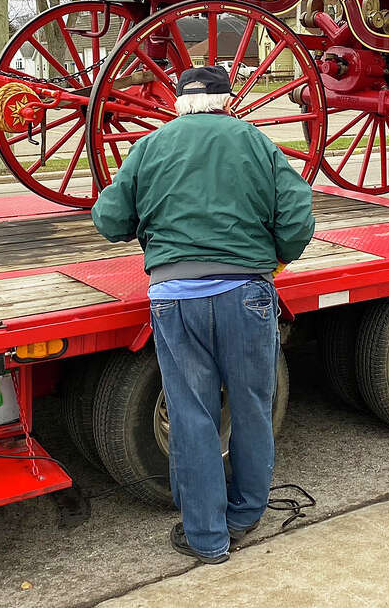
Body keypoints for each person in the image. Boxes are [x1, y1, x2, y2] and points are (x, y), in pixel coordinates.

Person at [91, 65, 315, 565]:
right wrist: (276, 254)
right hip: (247, 293)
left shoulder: (149, 147)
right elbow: (299, 216)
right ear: (226, 100)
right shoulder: (256, 143)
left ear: (179, 103)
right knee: (253, 407)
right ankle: (245, 514)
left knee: (192, 416)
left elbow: (109, 220)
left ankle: (207, 539)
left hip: (175, 295)